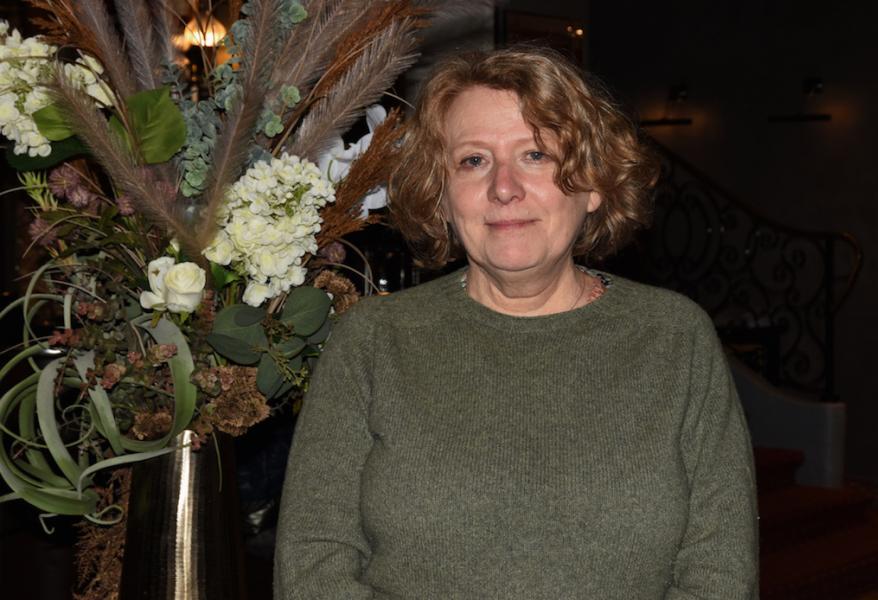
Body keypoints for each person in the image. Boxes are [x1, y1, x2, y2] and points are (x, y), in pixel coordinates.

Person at [275, 46, 758, 599]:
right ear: (441, 195)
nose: (504, 188)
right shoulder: (372, 341)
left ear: (593, 184)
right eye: (473, 161)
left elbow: (720, 574)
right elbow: (312, 566)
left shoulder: (674, 339)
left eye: (535, 154)